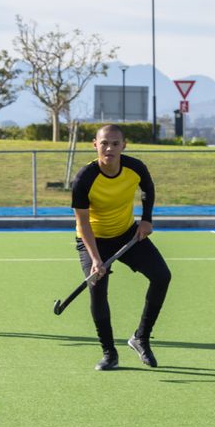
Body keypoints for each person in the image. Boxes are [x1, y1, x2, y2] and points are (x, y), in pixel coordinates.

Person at [71, 124, 171, 371]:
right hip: (92, 239)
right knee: (97, 288)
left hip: (127, 234)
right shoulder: (84, 178)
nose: (110, 148)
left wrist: (147, 219)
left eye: (115, 143)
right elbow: (82, 223)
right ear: (95, 145)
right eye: (104, 143)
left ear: (123, 145)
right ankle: (109, 353)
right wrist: (95, 259)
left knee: (162, 276)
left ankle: (141, 338)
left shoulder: (135, 167)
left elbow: (148, 189)